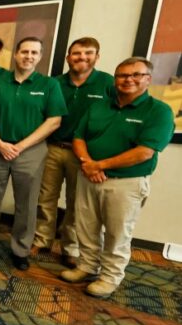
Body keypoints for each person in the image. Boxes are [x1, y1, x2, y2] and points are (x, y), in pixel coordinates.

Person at [61, 57, 174, 297]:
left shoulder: (159, 111)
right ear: (115, 79)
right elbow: (79, 137)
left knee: (117, 232)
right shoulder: (99, 106)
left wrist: (99, 165)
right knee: (86, 226)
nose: (128, 79)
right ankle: (87, 266)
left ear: (148, 79)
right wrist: (88, 164)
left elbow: (145, 152)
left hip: (125, 183)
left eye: (136, 75)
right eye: (122, 75)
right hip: (88, 176)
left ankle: (110, 277)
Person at [0, 37, 67, 270]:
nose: (29, 56)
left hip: (31, 152)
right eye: (25, 52)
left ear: (40, 57)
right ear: (15, 54)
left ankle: (21, 249)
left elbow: (54, 121)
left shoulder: (48, 85)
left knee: (27, 203)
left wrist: (21, 146)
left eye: (34, 53)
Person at [33, 38, 114, 267]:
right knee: (45, 197)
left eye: (88, 53)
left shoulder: (107, 83)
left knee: (77, 203)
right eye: (77, 53)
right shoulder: (55, 83)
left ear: (97, 57)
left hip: (85, 155)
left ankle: (71, 247)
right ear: (68, 57)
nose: (82, 57)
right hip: (53, 148)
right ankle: (42, 240)